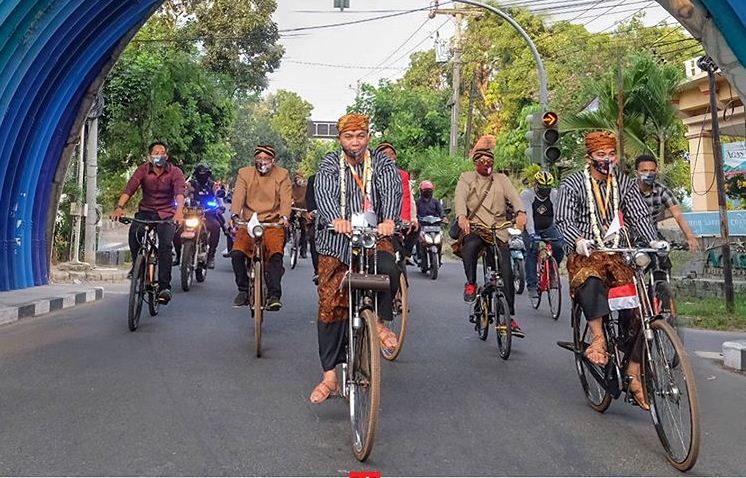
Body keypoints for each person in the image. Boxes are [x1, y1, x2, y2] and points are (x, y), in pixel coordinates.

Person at [555, 131, 667, 410]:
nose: (607, 160)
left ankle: (633, 368)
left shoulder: (625, 183)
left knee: (640, 305)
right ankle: (598, 339)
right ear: (590, 157)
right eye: (601, 155)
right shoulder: (573, 183)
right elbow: (563, 219)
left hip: (618, 252)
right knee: (589, 280)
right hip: (587, 253)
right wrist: (579, 241)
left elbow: (639, 215)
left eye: (611, 154)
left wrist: (652, 239)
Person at [309, 113, 402, 404]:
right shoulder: (328, 164)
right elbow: (323, 193)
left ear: (368, 137)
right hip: (336, 240)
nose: (355, 142)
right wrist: (335, 219)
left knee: (389, 268)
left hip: (374, 237)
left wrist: (389, 220)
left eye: (360, 136)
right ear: (340, 139)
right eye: (349, 137)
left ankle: (381, 322)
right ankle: (329, 377)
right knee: (329, 302)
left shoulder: (383, 164)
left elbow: (391, 190)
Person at [454, 135, 527, 337]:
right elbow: (460, 198)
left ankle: (509, 317)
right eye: (482, 161)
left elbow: (514, 197)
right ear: (475, 162)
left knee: (507, 272)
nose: (486, 164)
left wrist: (521, 213)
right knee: (469, 246)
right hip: (476, 227)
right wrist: (462, 216)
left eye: (489, 161)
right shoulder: (466, 178)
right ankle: (470, 283)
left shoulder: (501, 179)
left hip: (498, 229)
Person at [110, 142, 185, 305]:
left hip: (166, 214)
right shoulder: (143, 170)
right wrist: (119, 207)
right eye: (156, 153)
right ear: (150, 157)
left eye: (163, 152)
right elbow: (130, 188)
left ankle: (164, 287)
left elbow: (179, 192)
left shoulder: (175, 172)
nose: (160, 155)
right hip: (146, 211)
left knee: (165, 245)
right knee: (134, 234)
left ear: (167, 156)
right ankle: (138, 266)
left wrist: (179, 211)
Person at [229, 145, 292, 311]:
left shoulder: (283, 175)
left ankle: (274, 295)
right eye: (260, 158)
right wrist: (235, 215)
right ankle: (243, 290)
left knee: (276, 256)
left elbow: (286, 198)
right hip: (250, 222)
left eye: (267, 159)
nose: (263, 162)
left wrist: (284, 216)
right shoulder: (244, 173)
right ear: (255, 159)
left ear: (273, 161)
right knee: (236, 254)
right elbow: (238, 196)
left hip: (273, 222)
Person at [635, 154, 699, 252]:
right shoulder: (627, 190)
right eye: (644, 171)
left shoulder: (662, 191)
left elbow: (678, 215)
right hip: (630, 238)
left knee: (663, 262)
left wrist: (690, 237)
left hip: (653, 236)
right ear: (636, 173)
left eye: (652, 171)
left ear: (656, 172)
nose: (649, 174)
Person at [520, 170, 565, 299]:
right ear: (536, 185)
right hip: (532, 227)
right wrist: (533, 234)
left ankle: (551, 272)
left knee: (559, 245)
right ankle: (532, 285)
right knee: (532, 250)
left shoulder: (554, 194)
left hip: (549, 226)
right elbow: (528, 215)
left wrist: (561, 232)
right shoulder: (527, 195)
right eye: (542, 187)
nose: (545, 190)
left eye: (548, 187)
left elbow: (558, 214)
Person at [374, 142, 418, 264]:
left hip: (393, 223)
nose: (389, 156)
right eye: (385, 154)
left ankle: (406, 254)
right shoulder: (368, 172)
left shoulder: (402, 175)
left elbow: (406, 197)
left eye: (392, 154)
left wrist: (407, 218)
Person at [173, 163, 223, 269]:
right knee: (176, 230)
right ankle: (178, 255)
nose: (202, 176)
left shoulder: (212, 185)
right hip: (190, 213)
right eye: (200, 174)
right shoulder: (191, 184)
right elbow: (182, 195)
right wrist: (178, 203)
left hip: (207, 213)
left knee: (216, 227)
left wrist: (220, 206)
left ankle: (211, 256)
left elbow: (218, 195)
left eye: (205, 174)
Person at [415, 180, 448, 264]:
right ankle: (419, 256)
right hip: (422, 226)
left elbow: (441, 211)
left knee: (440, 239)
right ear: (421, 191)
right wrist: (415, 219)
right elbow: (414, 213)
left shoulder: (436, 202)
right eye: (425, 191)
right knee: (418, 239)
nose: (427, 193)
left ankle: (440, 256)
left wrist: (443, 217)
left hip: (435, 226)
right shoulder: (417, 203)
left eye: (429, 191)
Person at [305, 173, 320, 284]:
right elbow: (309, 198)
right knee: (314, 236)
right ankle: (317, 270)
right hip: (319, 217)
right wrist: (311, 211)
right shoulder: (313, 179)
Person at [291, 171, 309, 259]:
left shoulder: (306, 188)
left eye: (299, 178)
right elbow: (288, 197)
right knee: (286, 223)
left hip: (303, 210)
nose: (298, 180)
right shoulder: (292, 187)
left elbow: (308, 198)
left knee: (304, 231)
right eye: (296, 178)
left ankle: (303, 251)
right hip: (293, 209)